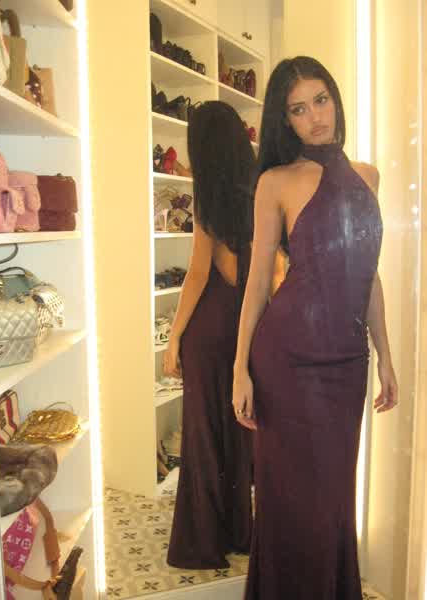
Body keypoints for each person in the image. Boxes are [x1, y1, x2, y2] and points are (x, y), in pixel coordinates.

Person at [232, 56, 398, 599]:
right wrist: (240, 369)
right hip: (287, 362)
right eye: (298, 109)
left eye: (320, 100)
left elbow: (368, 274)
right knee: (289, 503)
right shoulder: (275, 182)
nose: (315, 117)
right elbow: (258, 283)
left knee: (332, 502)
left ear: (335, 100)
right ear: (285, 121)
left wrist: (386, 355)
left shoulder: (368, 176)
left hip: (347, 366)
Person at [163, 100, 285, 569]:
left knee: (202, 435)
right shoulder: (263, 189)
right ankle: (238, 532)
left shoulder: (208, 198)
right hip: (247, 325)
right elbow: (268, 273)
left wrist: (175, 336)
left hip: (209, 328)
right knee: (239, 432)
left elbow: (199, 273)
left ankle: (202, 543)